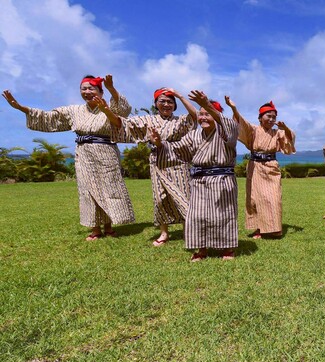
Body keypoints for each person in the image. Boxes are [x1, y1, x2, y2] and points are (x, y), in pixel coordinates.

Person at [2, 75, 135, 241]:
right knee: (88, 190)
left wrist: (111, 89)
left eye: (91, 88)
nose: (87, 92)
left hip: (106, 152)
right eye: (83, 89)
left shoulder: (108, 107)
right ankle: (95, 229)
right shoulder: (74, 110)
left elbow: (123, 110)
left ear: (100, 92)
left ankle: (109, 227)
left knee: (109, 187)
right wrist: (21, 108)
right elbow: (49, 117)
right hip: (84, 154)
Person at [97, 88, 198, 246]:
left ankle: (188, 230)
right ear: (156, 104)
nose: (166, 104)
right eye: (162, 101)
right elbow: (122, 124)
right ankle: (164, 233)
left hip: (179, 160)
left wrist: (179, 95)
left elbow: (195, 116)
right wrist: (106, 111)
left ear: (175, 105)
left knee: (185, 197)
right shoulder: (147, 121)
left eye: (170, 102)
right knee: (160, 198)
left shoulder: (181, 120)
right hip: (157, 161)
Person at [149, 91, 239, 261]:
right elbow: (177, 149)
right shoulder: (194, 135)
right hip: (199, 181)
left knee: (224, 214)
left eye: (208, 114)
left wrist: (208, 104)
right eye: (201, 114)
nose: (203, 117)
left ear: (216, 115)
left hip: (222, 180)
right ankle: (201, 249)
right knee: (197, 215)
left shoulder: (226, 131)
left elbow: (230, 125)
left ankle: (227, 248)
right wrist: (159, 143)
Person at [225, 97, 296, 239]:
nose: (271, 119)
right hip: (255, 166)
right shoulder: (254, 129)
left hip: (271, 167)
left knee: (273, 198)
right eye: (268, 116)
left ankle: (274, 229)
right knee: (254, 198)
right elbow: (241, 124)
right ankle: (258, 229)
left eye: (274, 117)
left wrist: (286, 128)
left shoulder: (278, 132)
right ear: (260, 117)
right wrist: (233, 108)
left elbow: (290, 140)